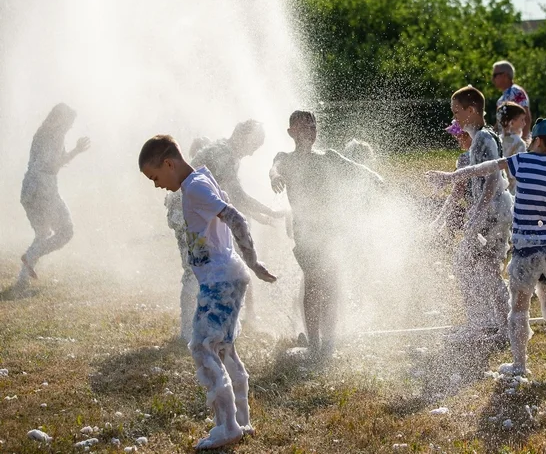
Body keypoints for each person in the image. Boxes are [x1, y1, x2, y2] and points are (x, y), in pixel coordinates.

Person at [427, 118, 546, 377]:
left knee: (518, 309)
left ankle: (519, 365)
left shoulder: (523, 161)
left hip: (525, 251)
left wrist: (452, 176)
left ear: (538, 141)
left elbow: (484, 168)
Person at [138, 135, 277, 450]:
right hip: (224, 277)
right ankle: (241, 419)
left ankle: (227, 426)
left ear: (169, 163)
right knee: (225, 348)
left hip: (220, 280)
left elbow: (234, 217)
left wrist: (253, 262)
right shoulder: (200, 177)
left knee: (202, 347)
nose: (157, 185)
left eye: (156, 177)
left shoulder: (196, 187)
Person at [269, 111, 383, 359]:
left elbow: (354, 167)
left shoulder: (327, 157)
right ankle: (314, 343)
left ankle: (328, 342)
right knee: (312, 283)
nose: (309, 131)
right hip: (306, 232)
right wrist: (276, 177)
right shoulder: (284, 158)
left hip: (331, 231)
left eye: (312, 126)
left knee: (331, 284)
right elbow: (274, 169)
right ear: (291, 132)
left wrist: (374, 177)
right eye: (302, 127)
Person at [192, 120, 285, 326]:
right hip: (194, 213)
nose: (252, 153)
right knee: (219, 265)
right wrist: (270, 211)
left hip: (204, 211)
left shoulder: (227, 151)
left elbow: (231, 197)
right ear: (243, 137)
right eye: (253, 146)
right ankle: (205, 322)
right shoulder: (224, 155)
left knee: (237, 260)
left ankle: (243, 314)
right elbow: (238, 196)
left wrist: (263, 218)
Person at [445, 85, 512, 342]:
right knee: (480, 268)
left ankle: (490, 324)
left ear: (471, 110)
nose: (455, 119)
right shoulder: (481, 137)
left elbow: (493, 177)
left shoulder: (484, 138)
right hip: (489, 214)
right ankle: (490, 324)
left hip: (492, 215)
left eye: (457, 112)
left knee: (473, 266)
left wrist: (478, 212)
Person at [17, 103, 90, 288]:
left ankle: (22, 279)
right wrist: (76, 151)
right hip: (43, 189)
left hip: (29, 189)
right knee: (66, 231)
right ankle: (30, 256)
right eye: (68, 123)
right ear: (59, 119)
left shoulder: (43, 133)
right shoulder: (53, 135)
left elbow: (53, 163)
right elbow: (51, 165)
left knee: (42, 233)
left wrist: (74, 151)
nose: (69, 127)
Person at [165, 136, 212, 342]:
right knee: (194, 273)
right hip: (189, 224)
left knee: (194, 272)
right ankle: (188, 331)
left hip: (184, 223)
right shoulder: (193, 175)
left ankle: (192, 327)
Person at [430, 120, 473, 236]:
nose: (457, 139)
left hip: (477, 210)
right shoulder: (489, 146)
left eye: (458, 136)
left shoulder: (465, 158)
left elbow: (458, 190)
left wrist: (439, 220)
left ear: (467, 134)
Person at [492, 60, 531, 141]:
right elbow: (499, 125)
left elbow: (526, 118)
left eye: (495, 75)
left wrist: (523, 143)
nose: (492, 79)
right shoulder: (501, 99)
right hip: (506, 144)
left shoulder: (516, 92)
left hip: (516, 144)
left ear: (505, 75)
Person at [496, 101, 527, 194]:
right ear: (512, 122)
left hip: (498, 186)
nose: (524, 123)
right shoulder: (519, 143)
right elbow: (521, 170)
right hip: (514, 189)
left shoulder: (496, 139)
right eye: (522, 120)